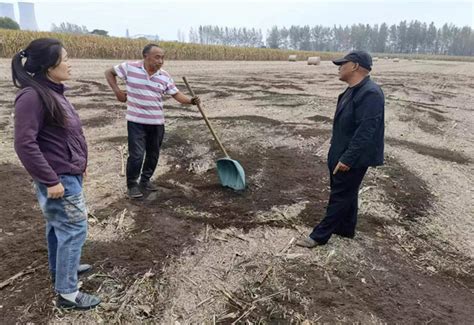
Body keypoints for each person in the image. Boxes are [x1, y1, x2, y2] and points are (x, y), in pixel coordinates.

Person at [12, 38, 101, 309]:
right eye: (65, 58)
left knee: (58, 227)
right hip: (58, 178)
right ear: (50, 65)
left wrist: (79, 167)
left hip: (65, 174)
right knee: (74, 229)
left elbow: (65, 137)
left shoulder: (52, 92)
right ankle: (68, 293)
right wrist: (51, 179)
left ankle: (61, 270)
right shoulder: (33, 96)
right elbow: (24, 143)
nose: (70, 63)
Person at [296, 50, 385, 248]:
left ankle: (319, 236)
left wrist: (347, 159)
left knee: (340, 195)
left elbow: (366, 131)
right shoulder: (351, 91)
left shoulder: (370, 93)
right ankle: (346, 228)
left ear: (354, 66)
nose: (339, 67)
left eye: (342, 64)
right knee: (347, 192)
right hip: (340, 152)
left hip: (352, 157)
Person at [104, 44, 200, 199]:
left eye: (162, 58)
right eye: (157, 57)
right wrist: (117, 92)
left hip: (156, 122)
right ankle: (132, 185)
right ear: (145, 56)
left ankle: (145, 180)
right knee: (136, 155)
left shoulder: (164, 76)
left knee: (153, 154)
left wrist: (191, 101)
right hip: (136, 122)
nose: (160, 61)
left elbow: (176, 95)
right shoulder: (129, 67)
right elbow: (109, 72)